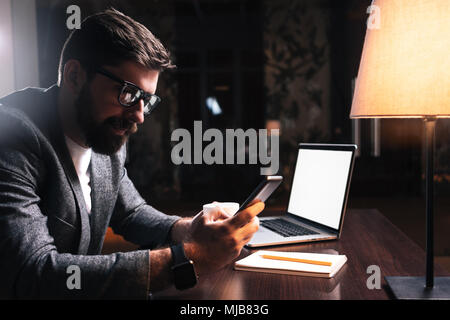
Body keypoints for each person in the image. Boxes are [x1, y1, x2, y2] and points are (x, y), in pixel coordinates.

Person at [0, 8, 262, 299]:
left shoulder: (102, 132)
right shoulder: (11, 137)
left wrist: (189, 229)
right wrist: (189, 258)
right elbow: (33, 272)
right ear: (74, 76)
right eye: (128, 93)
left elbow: (131, 213)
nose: (139, 115)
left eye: (146, 100)